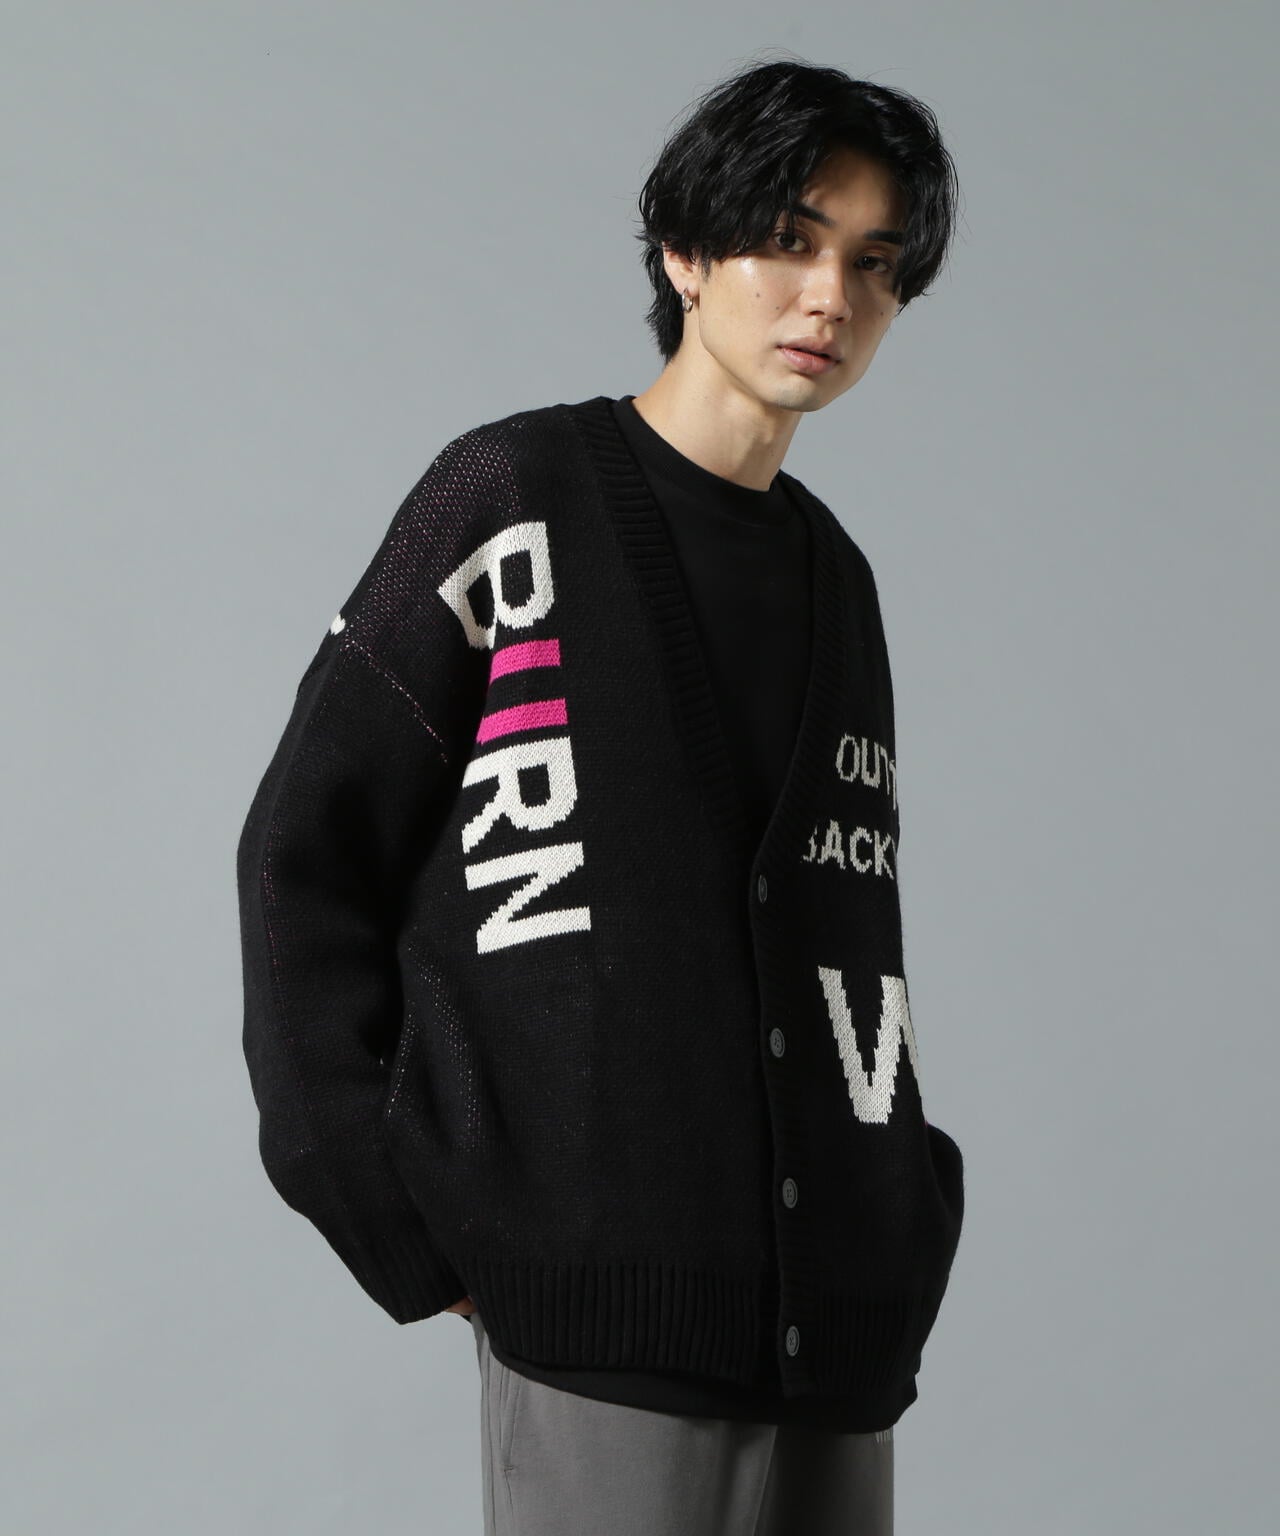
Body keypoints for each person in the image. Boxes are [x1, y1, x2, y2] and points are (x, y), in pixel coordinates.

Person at [237, 55, 966, 1536]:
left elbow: (849, 933)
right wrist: (390, 1200)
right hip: (599, 1304)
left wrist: (906, 1203)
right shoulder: (513, 499)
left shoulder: (837, 579)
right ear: (685, 254)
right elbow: (303, 855)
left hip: (834, 1331)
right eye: (789, 240)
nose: (829, 296)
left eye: (874, 264)